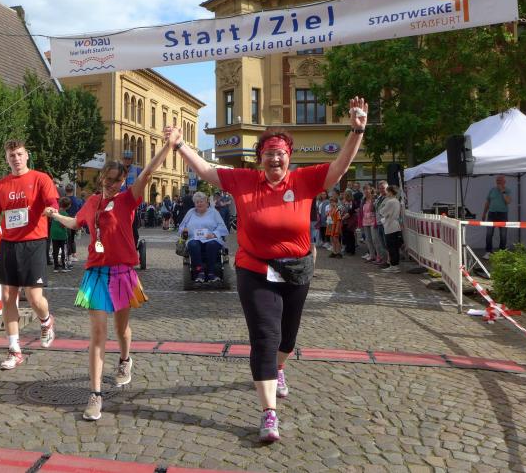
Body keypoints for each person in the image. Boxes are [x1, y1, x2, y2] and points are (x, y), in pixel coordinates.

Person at [166, 97, 368, 442]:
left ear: (289, 156)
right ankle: (268, 412)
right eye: (269, 153)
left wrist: (356, 131)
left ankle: (280, 365)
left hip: (296, 269)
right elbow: (207, 171)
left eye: (281, 153)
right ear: (260, 157)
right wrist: (181, 145)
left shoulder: (305, 180)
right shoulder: (244, 180)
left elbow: (339, 167)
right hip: (255, 268)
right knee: (265, 337)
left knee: (287, 339)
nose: (275, 159)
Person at [44, 128, 179, 421]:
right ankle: (95, 395)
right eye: (107, 178)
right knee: (97, 334)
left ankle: (125, 359)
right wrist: (55, 216)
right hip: (95, 272)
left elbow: (149, 172)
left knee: (121, 330)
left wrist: (168, 145)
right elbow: (76, 223)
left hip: (122, 272)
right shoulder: (92, 202)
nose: (110, 184)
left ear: (124, 181)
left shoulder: (129, 198)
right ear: (101, 177)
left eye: (117, 180)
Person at [0, 139, 59, 370]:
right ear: (7, 159)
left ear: (27, 156)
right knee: (7, 297)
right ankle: (14, 350)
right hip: (9, 244)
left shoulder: (40, 178)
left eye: (19, 154)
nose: (16, 158)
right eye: (11, 155)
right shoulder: (0, 186)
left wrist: (52, 208)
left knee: (34, 298)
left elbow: (52, 201)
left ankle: (46, 320)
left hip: (34, 243)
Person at [177, 191, 228, 282]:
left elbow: (222, 227)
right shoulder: (190, 212)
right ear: (194, 203)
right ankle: (199, 271)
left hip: (211, 238)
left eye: (201, 201)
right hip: (194, 238)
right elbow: (181, 227)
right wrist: (184, 230)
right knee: (193, 245)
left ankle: (211, 272)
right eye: (197, 202)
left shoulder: (214, 212)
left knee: (211, 244)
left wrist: (213, 234)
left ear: (206, 202)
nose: (199, 204)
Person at [482, 175, 511, 259]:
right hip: (491, 214)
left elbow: (508, 201)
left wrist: (503, 191)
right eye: (497, 180)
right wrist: (484, 213)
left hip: (502, 214)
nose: (498, 182)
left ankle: (502, 252)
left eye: (500, 180)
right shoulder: (492, 190)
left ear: (504, 182)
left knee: (503, 234)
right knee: (489, 233)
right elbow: (487, 202)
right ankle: (488, 252)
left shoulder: (507, 190)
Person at [378, 185, 403, 273]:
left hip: (390, 226)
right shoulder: (396, 201)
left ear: (391, 192)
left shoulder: (390, 201)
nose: (387, 193)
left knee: (391, 247)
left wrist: (383, 213)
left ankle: (393, 266)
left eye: (388, 191)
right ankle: (395, 265)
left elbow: (382, 211)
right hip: (395, 225)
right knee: (395, 247)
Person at [50, 197, 72, 272]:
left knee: (55, 250)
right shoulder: (66, 214)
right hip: (62, 235)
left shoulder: (55, 213)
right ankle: (64, 266)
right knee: (64, 250)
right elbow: (64, 225)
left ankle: (56, 267)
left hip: (54, 234)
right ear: (68, 206)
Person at [65, 184, 84, 263]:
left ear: (66, 191)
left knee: (67, 239)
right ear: (73, 190)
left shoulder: (63, 200)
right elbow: (81, 211)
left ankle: (69, 255)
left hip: (65, 221)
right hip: (75, 221)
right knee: (72, 239)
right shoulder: (78, 200)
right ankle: (74, 254)